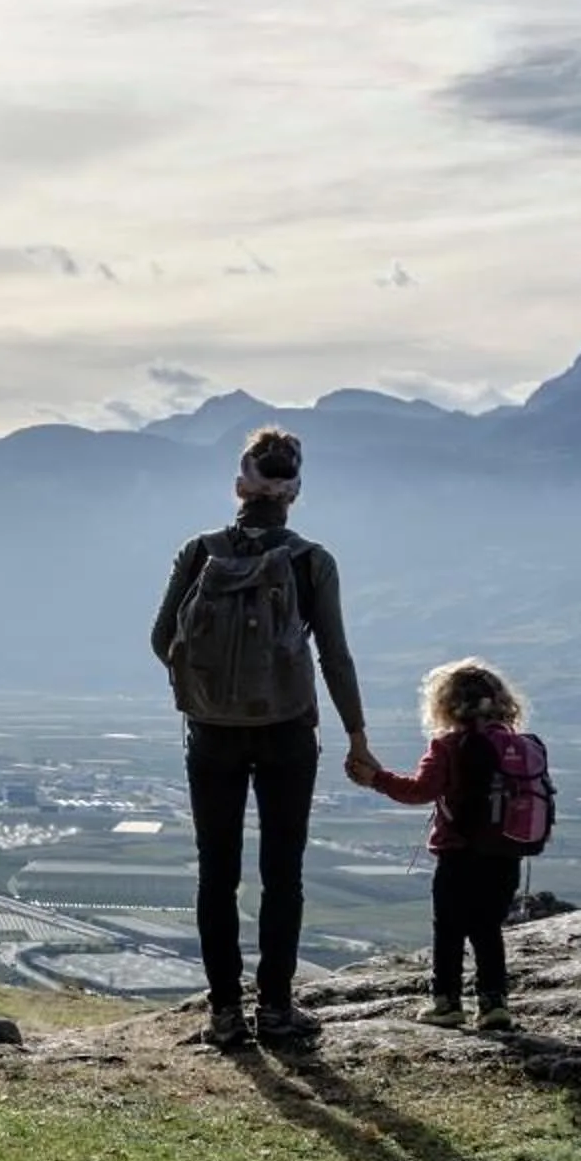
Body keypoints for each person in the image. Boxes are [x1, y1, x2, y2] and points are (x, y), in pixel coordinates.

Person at [150, 426, 377, 1051]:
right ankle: (277, 1009)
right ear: (294, 492)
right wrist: (358, 735)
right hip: (287, 734)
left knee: (215, 874)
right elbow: (335, 656)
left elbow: (158, 636)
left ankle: (225, 1014)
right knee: (284, 873)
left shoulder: (199, 552)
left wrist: (202, 683)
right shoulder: (311, 560)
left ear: (239, 486)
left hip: (212, 734)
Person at [358, 659, 532, 1031]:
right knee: (488, 927)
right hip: (505, 853)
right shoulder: (516, 749)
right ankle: (494, 1004)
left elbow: (420, 791)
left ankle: (447, 1003)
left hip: (458, 855)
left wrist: (377, 779)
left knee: (449, 928)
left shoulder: (447, 746)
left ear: (445, 704)